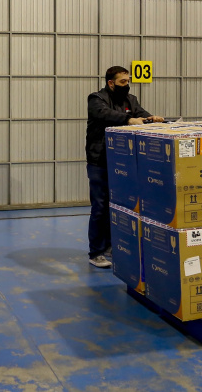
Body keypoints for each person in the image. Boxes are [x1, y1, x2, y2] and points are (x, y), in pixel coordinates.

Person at [85, 66, 164, 268]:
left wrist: (152, 118)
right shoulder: (96, 99)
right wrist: (128, 119)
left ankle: (111, 246)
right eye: (122, 82)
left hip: (122, 162)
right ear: (111, 83)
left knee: (118, 205)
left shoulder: (131, 100)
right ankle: (96, 252)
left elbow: (140, 113)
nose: (126, 85)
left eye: (128, 81)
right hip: (100, 161)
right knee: (100, 207)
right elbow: (105, 114)